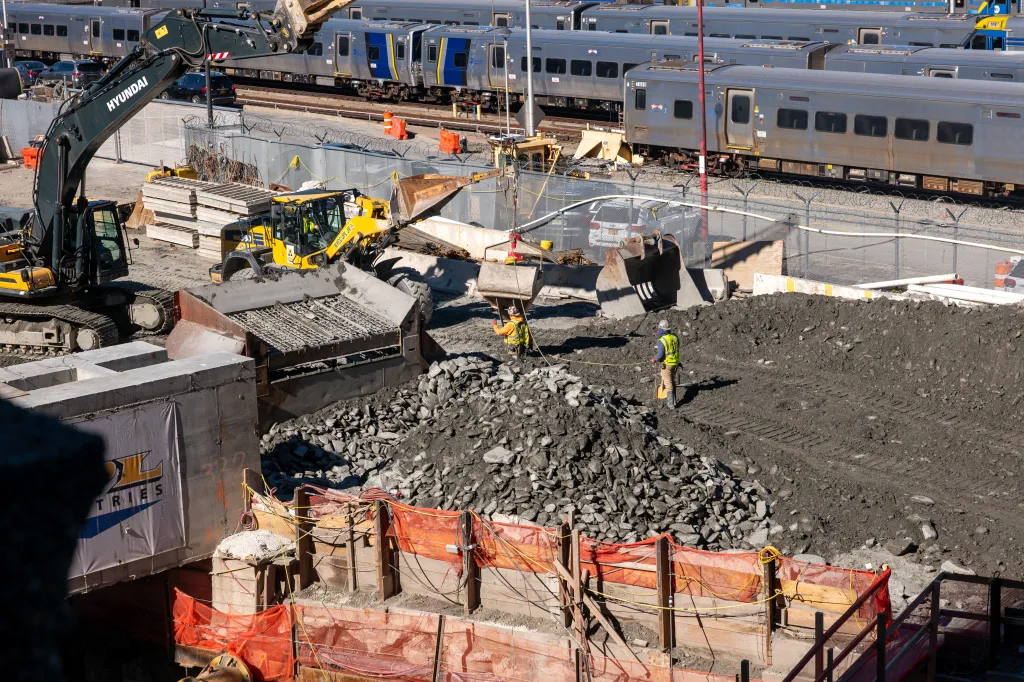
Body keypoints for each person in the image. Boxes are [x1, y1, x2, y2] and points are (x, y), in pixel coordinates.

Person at [651, 319, 680, 409]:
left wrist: (654, 359)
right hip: (675, 363)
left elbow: (660, 355)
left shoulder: (662, 340)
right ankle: (674, 401)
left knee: (668, 383)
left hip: (667, 364)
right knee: (672, 381)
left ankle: (671, 404)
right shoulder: (675, 337)